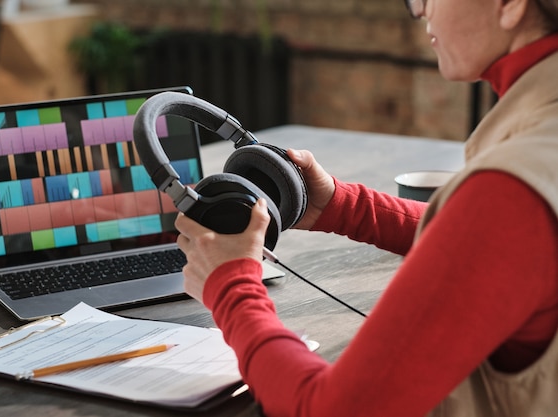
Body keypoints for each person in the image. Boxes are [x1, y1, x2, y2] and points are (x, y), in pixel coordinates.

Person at [174, 0, 558, 415]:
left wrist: (230, 287)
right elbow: (496, 249)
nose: (419, 11)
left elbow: (331, 409)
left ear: (511, 5)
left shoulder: (507, 190)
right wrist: (344, 207)